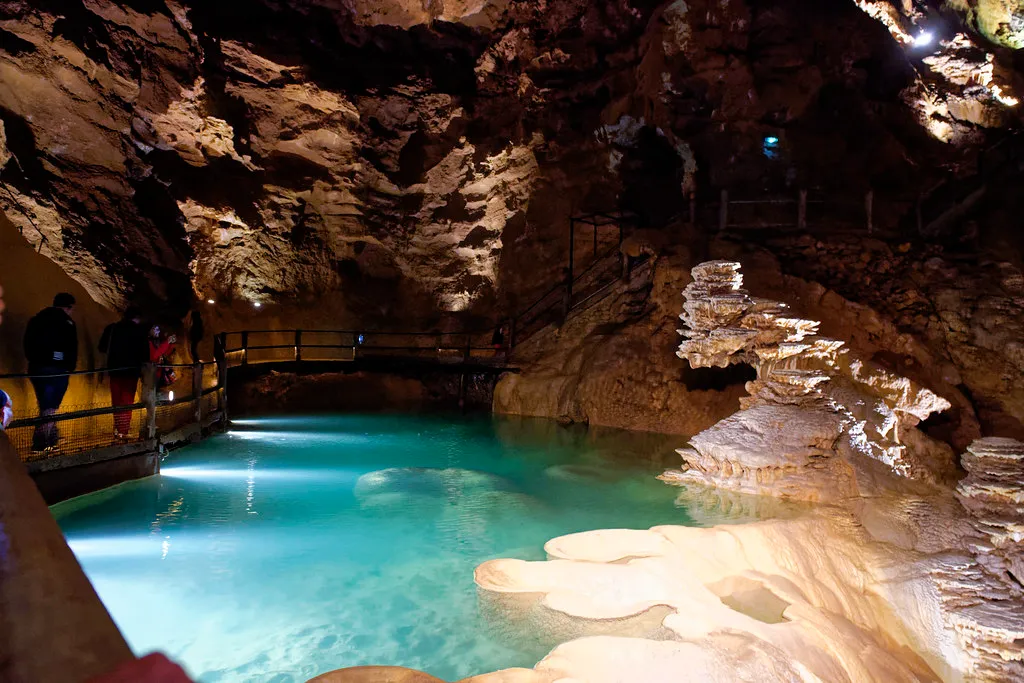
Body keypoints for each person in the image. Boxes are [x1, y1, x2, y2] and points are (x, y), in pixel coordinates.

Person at [23, 293, 77, 451]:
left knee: (45, 404)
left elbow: (28, 344)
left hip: (36, 368)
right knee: (51, 406)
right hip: (57, 370)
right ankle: (41, 442)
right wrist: (65, 362)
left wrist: (38, 358)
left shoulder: (36, 320)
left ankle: (51, 438)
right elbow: (71, 347)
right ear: (68, 308)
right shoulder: (66, 323)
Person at [100, 307, 149, 439]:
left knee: (116, 401)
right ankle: (123, 431)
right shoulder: (139, 331)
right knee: (126, 401)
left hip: (114, 370)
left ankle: (117, 429)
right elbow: (145, 354)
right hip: (130, 372)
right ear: (137, 318)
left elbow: (102, 347)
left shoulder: (112, 328)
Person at [149, 325, 178, 397]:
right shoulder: (149, 342)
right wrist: (167, 342)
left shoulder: (156, 341)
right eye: (155, 329)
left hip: (158, 370)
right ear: (150, 331)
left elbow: (164, 353)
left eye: (158, 329)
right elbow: (155, 355)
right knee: (152, 390)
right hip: (151, 371)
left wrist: (171, 343)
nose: (158, 331)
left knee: (158, 388)